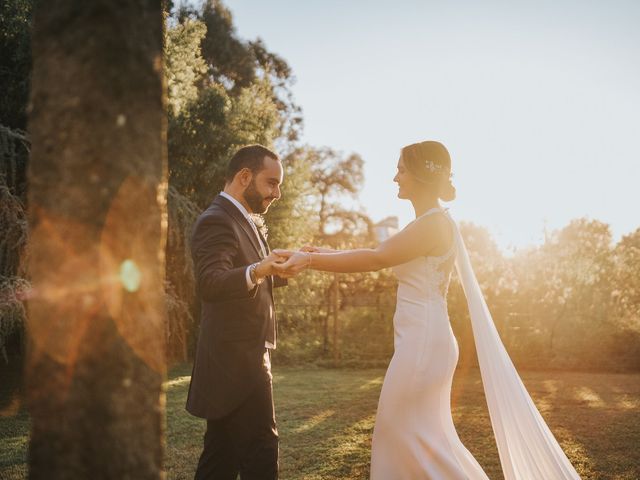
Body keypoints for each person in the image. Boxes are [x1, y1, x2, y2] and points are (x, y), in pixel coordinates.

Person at [275, 141, 580, 479]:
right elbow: (381, 251)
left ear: (420, 175)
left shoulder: (433, 224)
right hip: (423, 341)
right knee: (426, 440)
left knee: (398, 434)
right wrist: (318, 253)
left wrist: (312, 261)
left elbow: (377, 258)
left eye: (401, 169)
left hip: (422, 345)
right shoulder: (428, 223)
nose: (395, 178)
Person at [186, 144, 294, 480]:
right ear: (244, 176)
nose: (276, 193)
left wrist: (276, 271)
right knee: (262, 451)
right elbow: (211, 283)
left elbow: (247, 276)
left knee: (221, 458)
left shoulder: (242, 219)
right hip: (237, 362)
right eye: (271, 183)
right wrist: (260, 270)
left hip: (240, 358)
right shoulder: (217, 220)